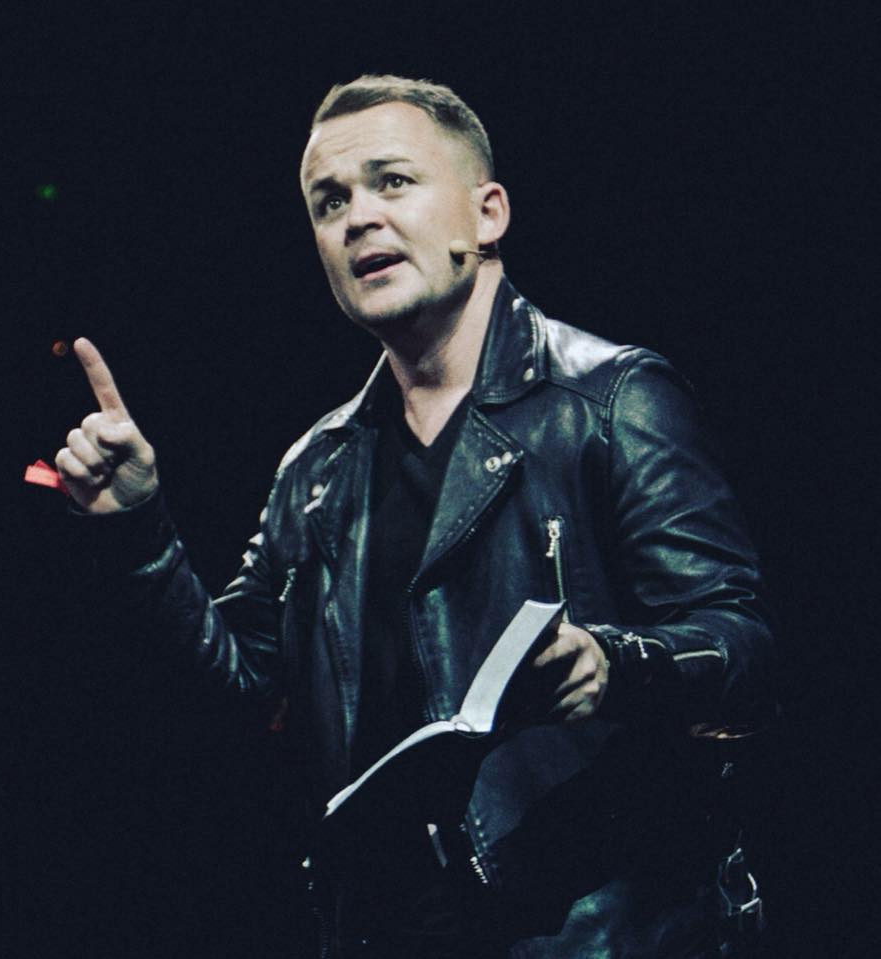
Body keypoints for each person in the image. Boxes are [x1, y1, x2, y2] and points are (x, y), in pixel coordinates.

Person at [55, 75, 775, 958]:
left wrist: (614, 662)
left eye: (391, 182)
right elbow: (237, 698)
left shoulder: (611, 400)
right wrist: (138, 526)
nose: (358, 217)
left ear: (487, 213)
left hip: (591, 935)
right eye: (329, 202)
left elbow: (743, 647)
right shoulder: (315, 470)